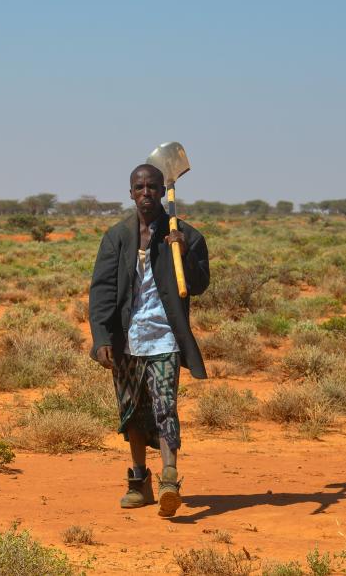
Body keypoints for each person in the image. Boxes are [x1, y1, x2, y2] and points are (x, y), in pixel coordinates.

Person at [88, 163, 209, 517]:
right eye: (139, 187)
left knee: (165, 407)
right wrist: (101, 337)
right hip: (126, 339)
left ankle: (169, 479)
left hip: (166, 339)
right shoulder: (117, 237)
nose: (146, 193)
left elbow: (199, 286)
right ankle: (140, 482)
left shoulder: (184, 236)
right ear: (130, 193)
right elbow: (102, 291)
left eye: (152, 187)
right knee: (131, 412)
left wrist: (184, 253)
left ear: (162, 191)